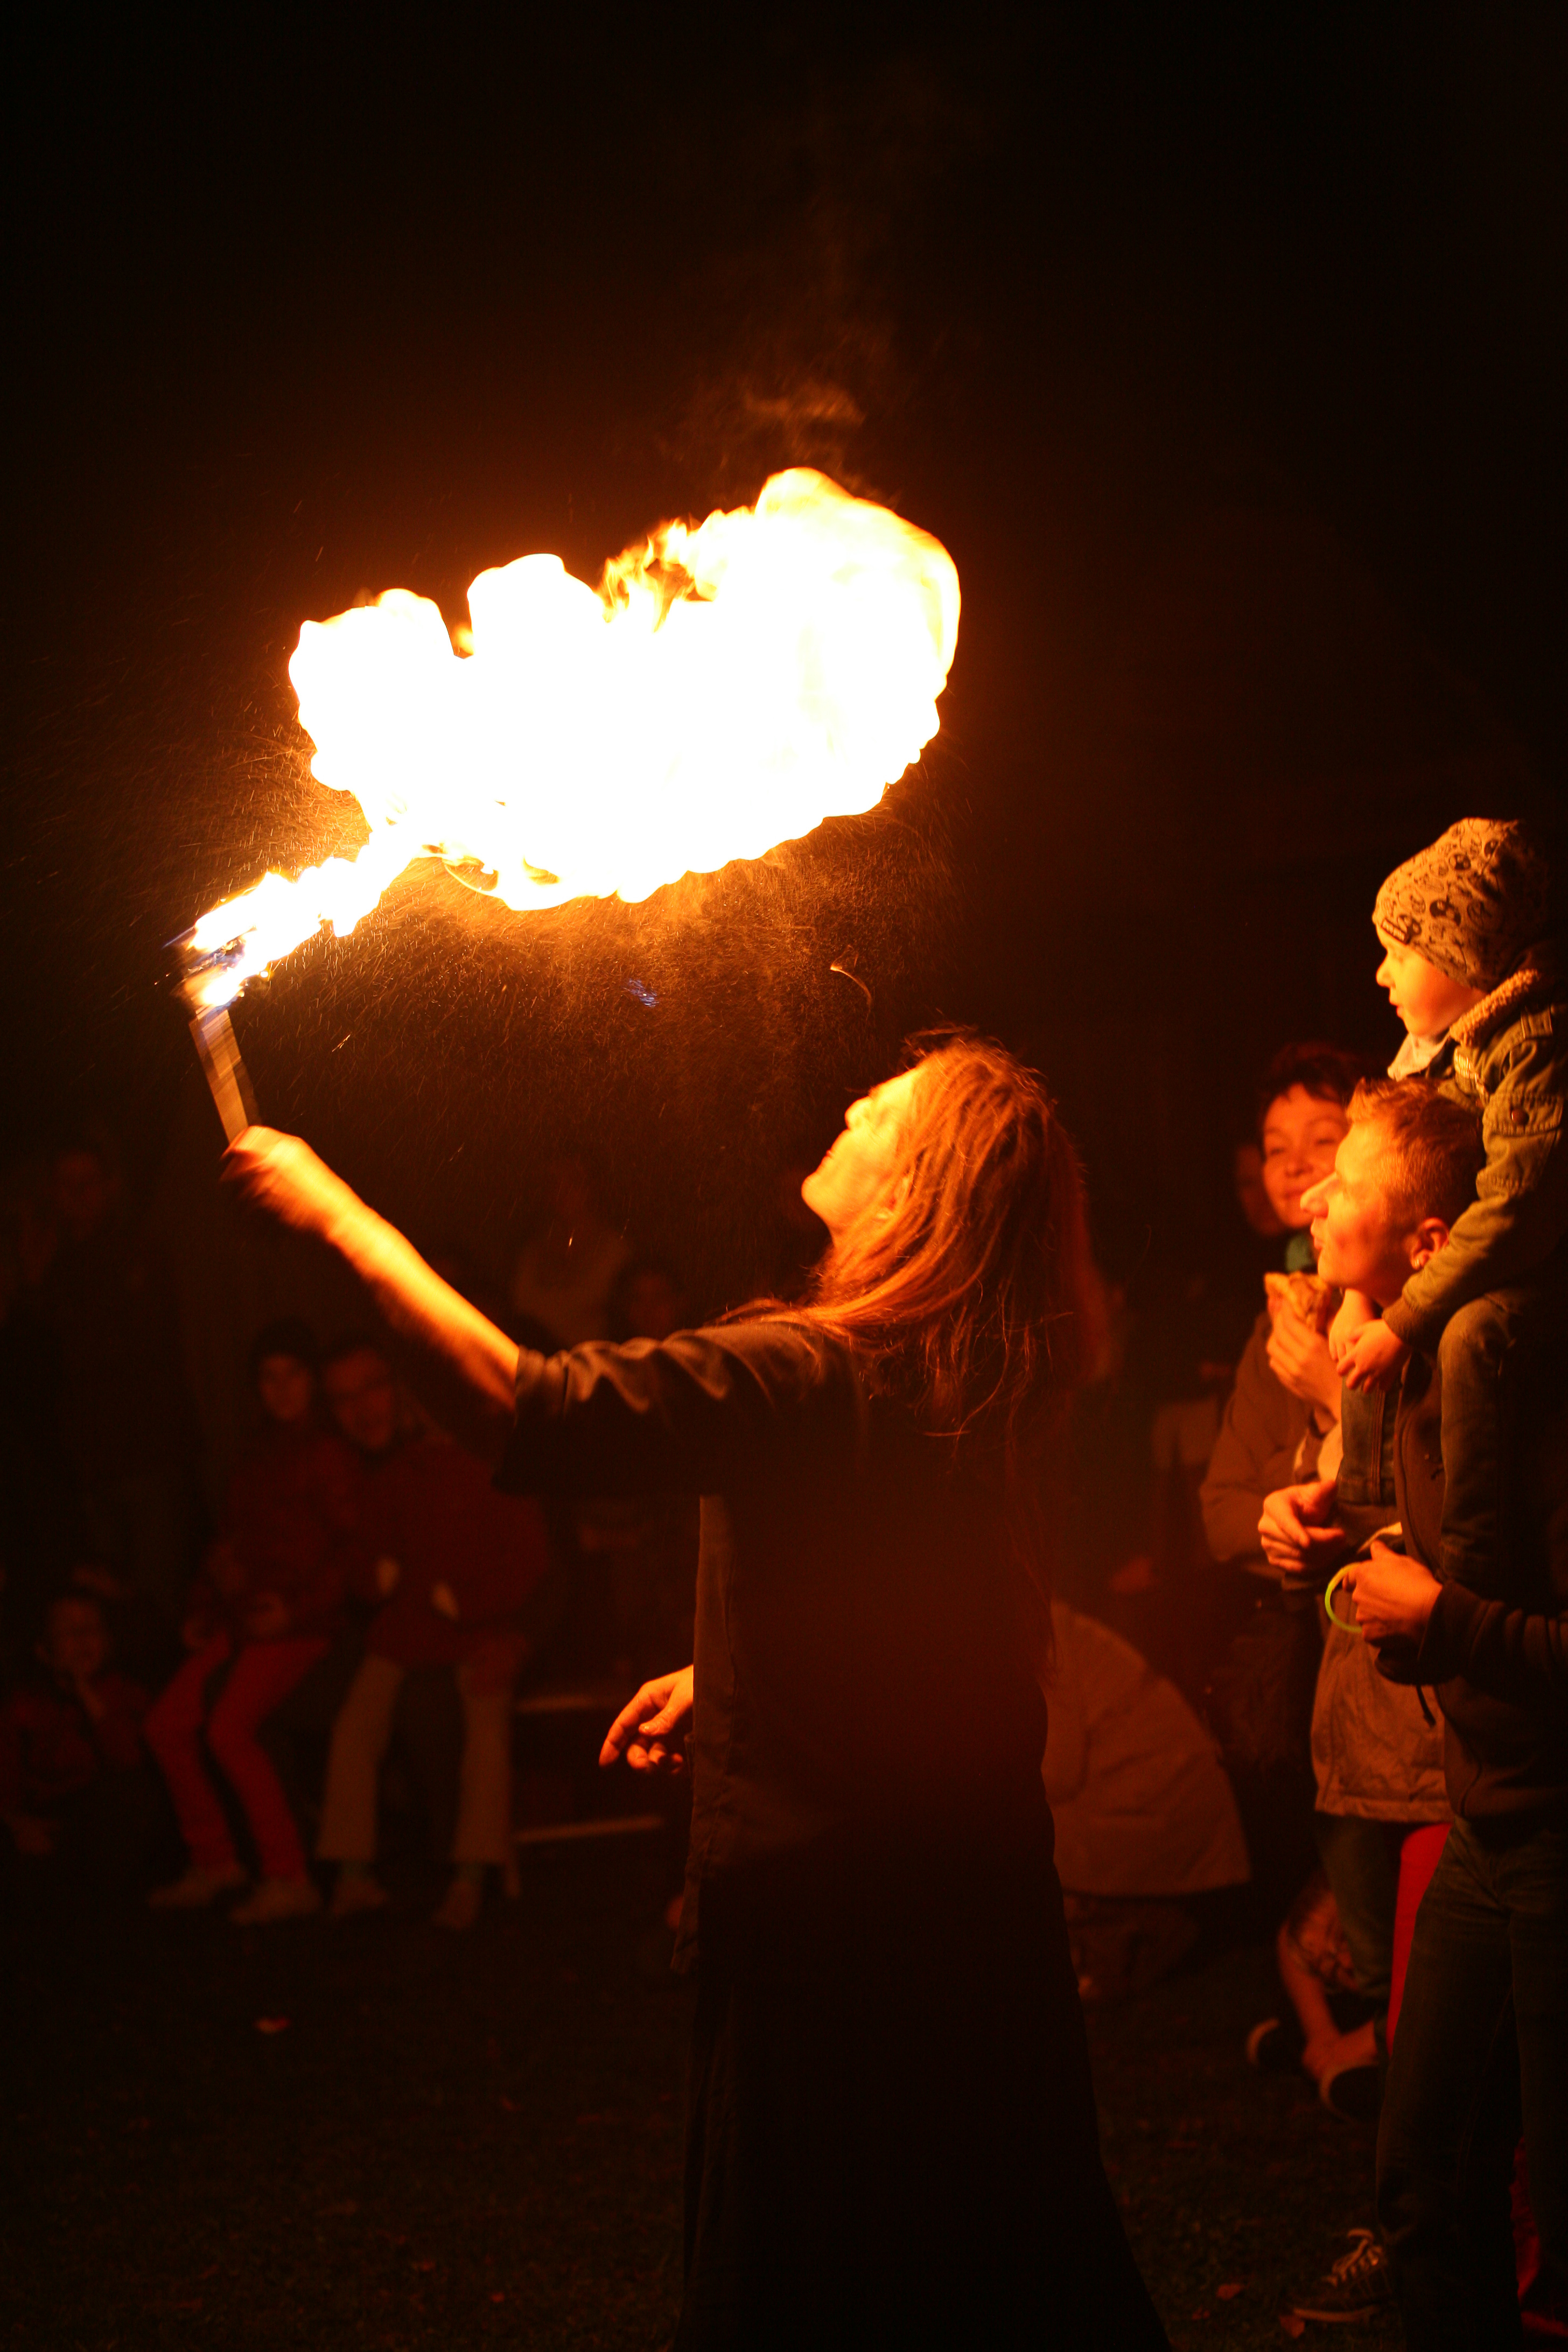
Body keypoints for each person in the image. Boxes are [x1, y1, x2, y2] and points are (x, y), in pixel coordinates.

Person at [226, 1033, 1170, 2349]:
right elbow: (911, 1611)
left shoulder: (808, 1368)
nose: (854, 1103)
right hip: (976, 1924)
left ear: (916, 1190)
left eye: (883, 1109)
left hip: (832, 1949)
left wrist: (334, 1217)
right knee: (1002, 2267)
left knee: (823, 2290)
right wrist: (729, 1668)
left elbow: (530, 1413)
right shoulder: (965, 1376)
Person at [1281, 1074, 1567, 2346]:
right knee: (1423, 2184)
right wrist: (1340, 1548)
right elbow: (1446, 1570)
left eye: (1346, 1176)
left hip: (1557, 1829)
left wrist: (1442, 1622)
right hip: (1488, 1828)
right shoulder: (1411, 1380)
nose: (1313, 1196)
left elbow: (1497, 1616)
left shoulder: (1516, 1373)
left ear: (1433, 1241)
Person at [314, 1335, 552, 1929]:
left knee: (486, 1737)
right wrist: (377, 1577)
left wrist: (471, 1605)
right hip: (403, 1630)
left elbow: (530, 1561)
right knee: (354, 1732)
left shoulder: (496, 1470)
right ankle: (351, 1872)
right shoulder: (399, 1473)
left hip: (476, 1634)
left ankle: (472, 1874)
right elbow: (369, 1552)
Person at [143, 1320, 360, 1923]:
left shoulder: (328, 1453)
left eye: (294, 1374)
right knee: (165, 1726)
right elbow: (228, 1545)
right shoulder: (254, 1453)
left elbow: (354, 1551)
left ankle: (290, 1876)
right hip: (245, 1618)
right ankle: (215, 1861)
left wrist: (296, 1609)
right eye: (269, 1377)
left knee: (229, 1731)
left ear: (313, 1381)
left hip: (302, 1626)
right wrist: (203, 1608)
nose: (282, 1389)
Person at [0, 1588, 152, 1895]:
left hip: (107, 1818)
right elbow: (7, 1777)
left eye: (92, 1629)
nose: (83, 1639)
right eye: (68, 1632)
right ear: (44, 1650)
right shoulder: (24, 1706)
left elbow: (129, 1762)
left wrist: (85, 1692)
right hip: (45, 1818)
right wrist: (16, 1823)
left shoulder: (129, 1695)